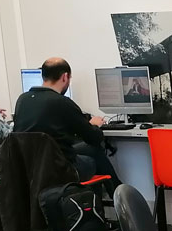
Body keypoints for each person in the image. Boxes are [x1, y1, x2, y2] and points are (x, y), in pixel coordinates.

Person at [12, 57, 121, 188]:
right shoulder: (62, 102)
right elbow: (94, 138)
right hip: (60, 169)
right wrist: (94, 125)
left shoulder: (22, 100)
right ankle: (117, 195)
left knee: (88, 150)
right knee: (94, 152)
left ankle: (110, 195)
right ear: (65, 77)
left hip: (31, 169)